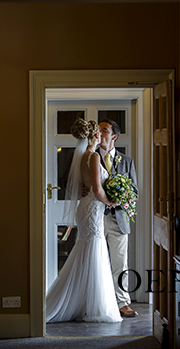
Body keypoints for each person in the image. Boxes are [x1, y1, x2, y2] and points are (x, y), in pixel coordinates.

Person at [45, 119, 122, 323]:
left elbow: (85, 185)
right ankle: (92, 305)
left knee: (87, 248)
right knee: (94, 248)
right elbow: (97, 189)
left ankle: (83, 300)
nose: (100, 135)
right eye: (98, 132)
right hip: (94, 207)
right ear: (94, 136)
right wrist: (111, 202)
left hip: (86, 207)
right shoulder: (95, 156)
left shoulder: (82, 156)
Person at [98, 119, 139, 319]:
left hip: (118, 220)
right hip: (95, 218)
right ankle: (96, 301)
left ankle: (123, 303)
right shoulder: (88, 157)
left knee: (120, 264)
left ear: (114, 136)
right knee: (95, 261)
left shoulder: (127, 161)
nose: (99, 133)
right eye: (98, 129)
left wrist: (121, 197)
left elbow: (135, 192)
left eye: (104, 130)